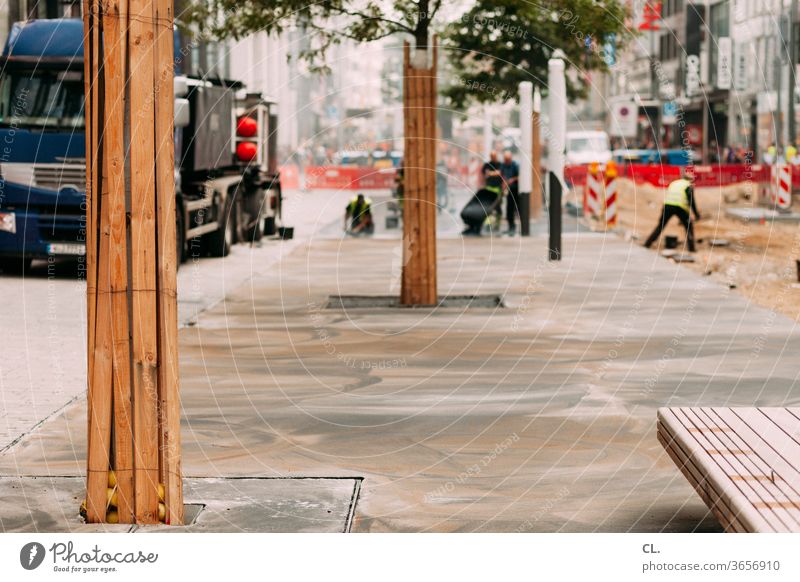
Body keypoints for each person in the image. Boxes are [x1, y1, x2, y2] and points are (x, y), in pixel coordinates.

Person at [644, 168, 701, 252]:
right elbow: (691, 202)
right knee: (689, 226)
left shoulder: (674, 183)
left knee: (660, 226)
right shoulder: (688, 185)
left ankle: (647, 243)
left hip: (667, 205)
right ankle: (691, 249)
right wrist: (696, 215)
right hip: (679, 207)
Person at [499, 150, 520, 235]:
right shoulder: (503, 165)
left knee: (518, 208)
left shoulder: (515, 165)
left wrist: (513, 179)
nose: (506, 161)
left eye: (508, 159)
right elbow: (502, 175)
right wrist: (503, 184)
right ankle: (511, 227)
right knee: (509, 209)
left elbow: (520, 176)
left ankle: (519, 228)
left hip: (516, 189)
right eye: (505, 159)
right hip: (509, 189)